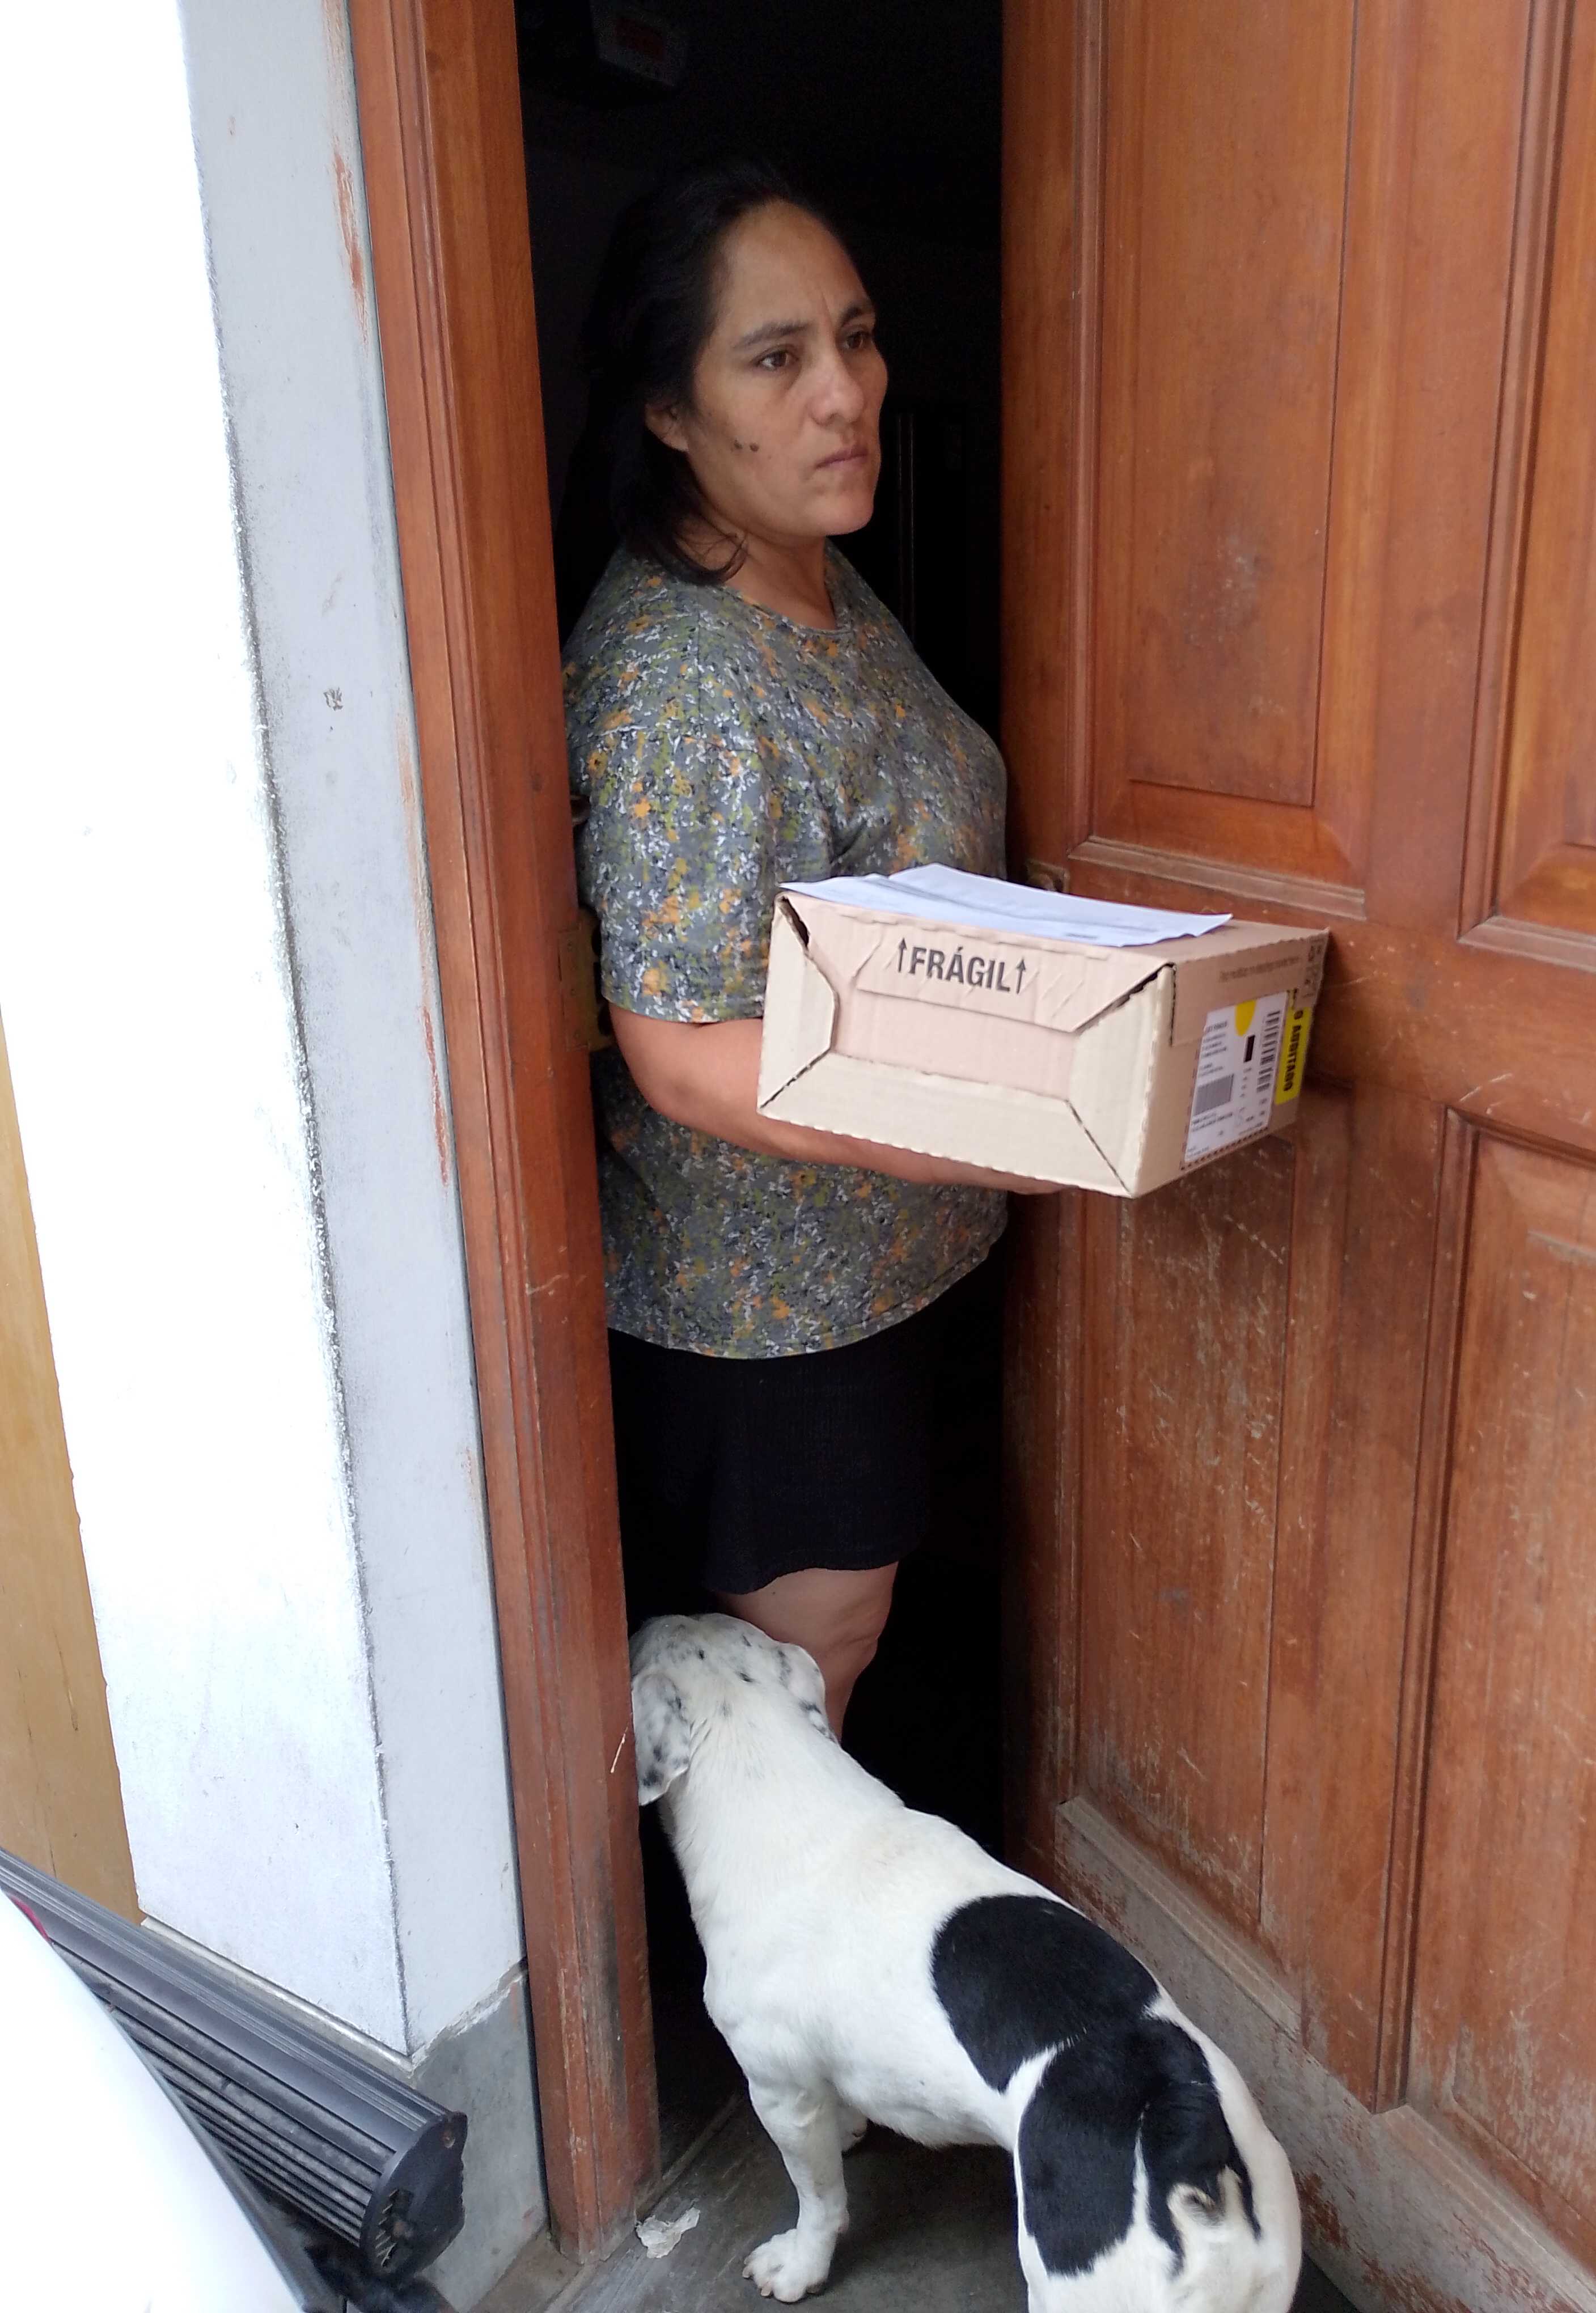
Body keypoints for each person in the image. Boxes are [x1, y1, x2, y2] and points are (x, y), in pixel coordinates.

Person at [563, 159, 1034, 1738]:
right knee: (789, 1705)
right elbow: (686, 1052)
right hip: (770, 1312)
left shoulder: (816, 580)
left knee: (861, 1652)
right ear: (669, 409)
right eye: (777, 358)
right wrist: (1002, 1120)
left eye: (858, 336)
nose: (846, 392)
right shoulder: (682, 682)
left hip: (887, 1259)